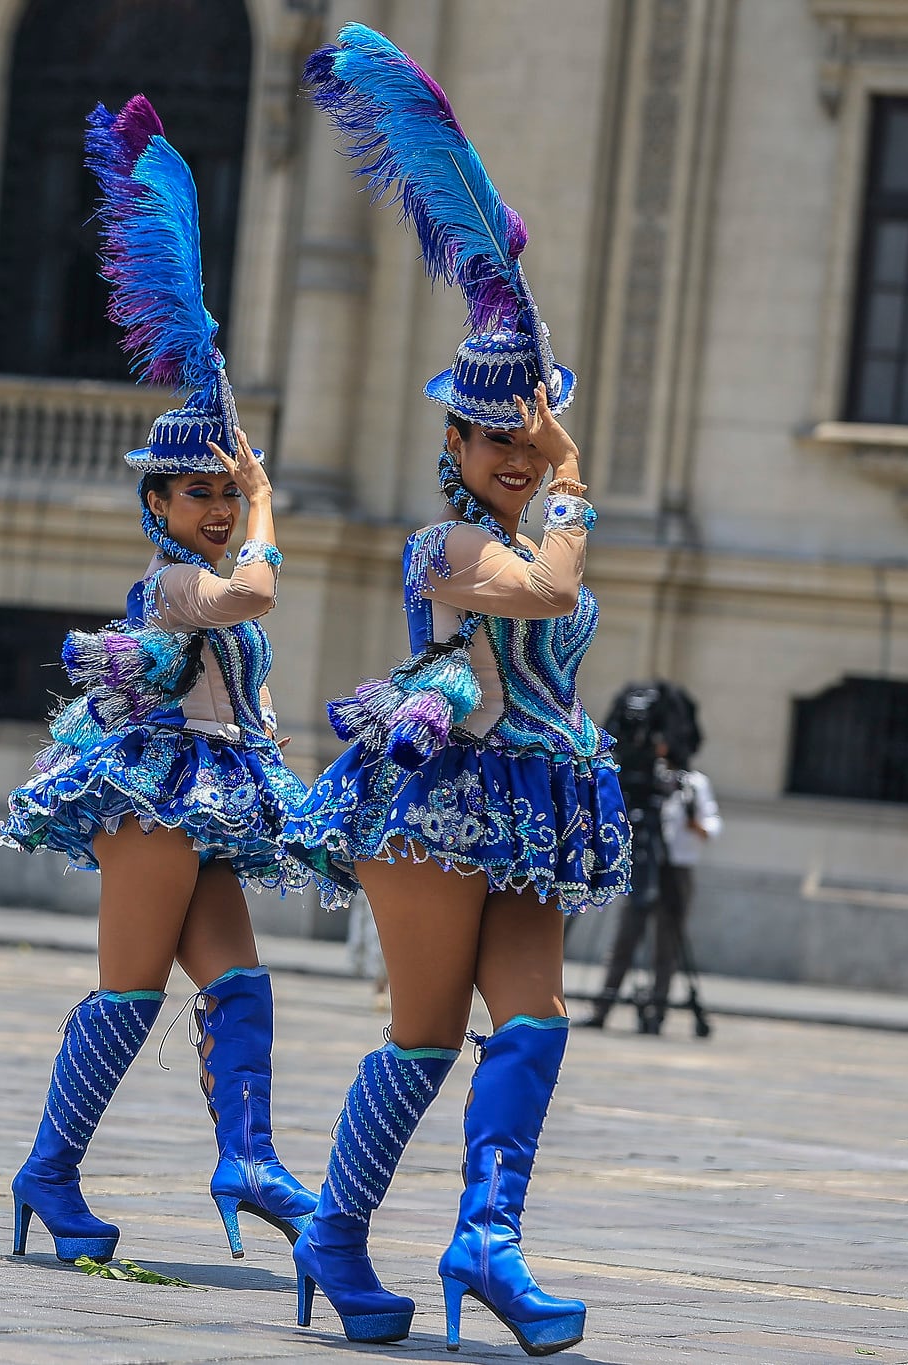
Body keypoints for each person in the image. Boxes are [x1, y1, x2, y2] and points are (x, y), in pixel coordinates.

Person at [284, 27, 629, 1355]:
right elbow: (543, 592)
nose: (510, 456)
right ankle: (334, 1232)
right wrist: (573, 482)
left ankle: (489, 1239)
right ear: (456, 442)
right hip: (439, 796)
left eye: (524, 439)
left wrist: (562, 481)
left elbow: (557, 598)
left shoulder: (533, 524)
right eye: (493, 439)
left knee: (535, 1026)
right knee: (425, 1034)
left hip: (539, 797)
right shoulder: (451, 544)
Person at [0, 97, 317, 1265]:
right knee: (129, 994)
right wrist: (270, 511)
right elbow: (254, 597)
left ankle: (247, 1157)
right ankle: (48, 1171)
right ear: (157, 507)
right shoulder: (176, 583)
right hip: (153, 798)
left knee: (240, 987)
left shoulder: (202, 566)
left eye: (225, 495)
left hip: (213, 796)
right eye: (197, 496)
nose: (217, 508)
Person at [587, 746, 720, 1033]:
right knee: (626, 937)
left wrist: (691, 818)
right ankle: (603, 1005)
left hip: (677, 867)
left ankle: (657, 1009)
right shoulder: (646, 780)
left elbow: (711, 827)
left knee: (667, 941)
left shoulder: (693, 784)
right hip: (644, 864)